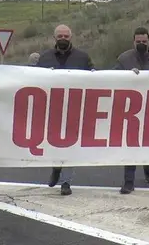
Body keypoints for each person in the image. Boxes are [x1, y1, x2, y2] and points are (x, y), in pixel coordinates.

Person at [36, 24, 94, 196]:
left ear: (71, 37)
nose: (63, 39)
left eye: (66, 36)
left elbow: (94, 77)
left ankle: (66, 182)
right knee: (54, 142)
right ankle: (56, 168)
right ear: (54, 38)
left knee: (70, 144)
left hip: (75, 108)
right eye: (60, 36)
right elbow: (32, 78)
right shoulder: (44, 58)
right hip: (51, 108)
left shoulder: (82, 58)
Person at [115, 27, 149, 194]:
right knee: (131, 144)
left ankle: (148, 168)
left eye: (144, 41)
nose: (141, 44)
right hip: (131, 109)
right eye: (138, 41)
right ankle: (129, 181)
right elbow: (113, 78)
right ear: (133, 42)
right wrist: (127, 75)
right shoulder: (124, 59)